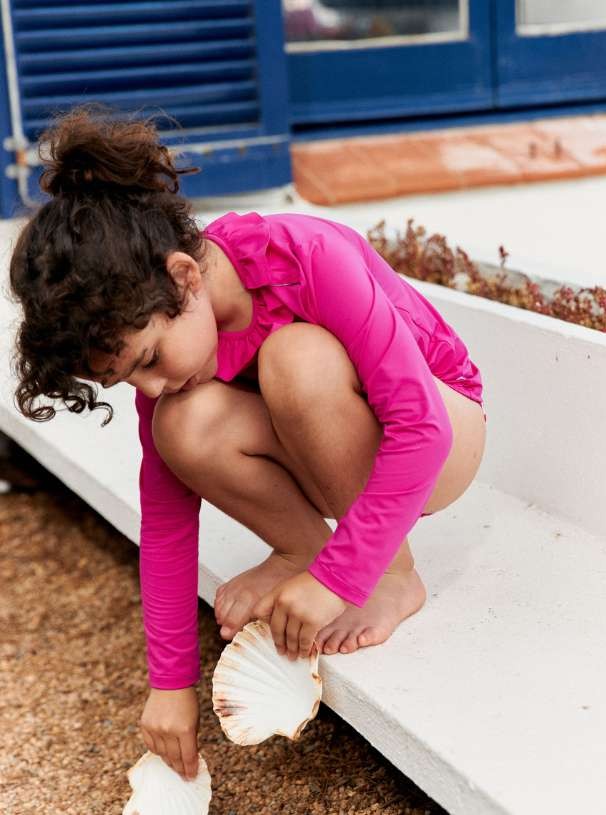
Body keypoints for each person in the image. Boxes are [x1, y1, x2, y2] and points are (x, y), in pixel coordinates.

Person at [8, 103, 487, 784]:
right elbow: (168, 521)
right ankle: (302, 547)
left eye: (148, 358)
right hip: (341, 444)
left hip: (443, 427)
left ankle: (392, 574)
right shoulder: (171, 372)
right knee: (183, 426)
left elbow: (422, 428)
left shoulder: (304, 257)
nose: (149, 385)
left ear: (184, 278)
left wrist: (341, 584)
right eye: (126, 379)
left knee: (296, 358)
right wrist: (170, 685)